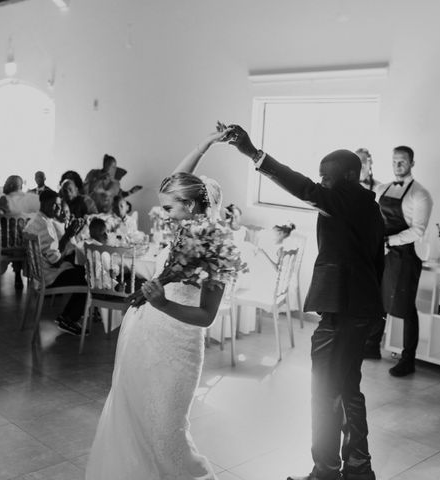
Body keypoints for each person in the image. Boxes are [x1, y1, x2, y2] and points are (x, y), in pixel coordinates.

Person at [226, 125, 384, 480]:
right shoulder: (369, 208)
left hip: (341, 310)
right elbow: (378, 262)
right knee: (348, 388)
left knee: (324, 392)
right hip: (360, 309)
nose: (321, 184)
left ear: (348, 176)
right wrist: (379, 313)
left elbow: (303, 188)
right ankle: (359, 469)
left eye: (327, 178)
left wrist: (254, 153)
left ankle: (326, 472)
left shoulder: (345, 199)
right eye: (321, 178)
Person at [86, 127, 230, 480]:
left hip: (179, 346)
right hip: (146, 336)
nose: (162, 212)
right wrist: (205, 144)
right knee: (136, 418)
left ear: (191, 206)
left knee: (167, 432)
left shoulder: (215, 247)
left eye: (169, 206)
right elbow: (177, 180)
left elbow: (208, 315)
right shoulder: (182, 228)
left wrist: (164, 305)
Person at [364, 146, 433, 377]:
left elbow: (418, 230)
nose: (397, 165)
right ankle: (372, 346)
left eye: (402, 161)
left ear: (412, 163)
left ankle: (408, 359)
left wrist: (389, 240)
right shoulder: (383, 188)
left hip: (406, 255)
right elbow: (370, 205)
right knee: (378, 299)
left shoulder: (420, 195)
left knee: (405, 306)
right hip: (382, 252)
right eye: (394, 161)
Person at [24, 190, 88, 335]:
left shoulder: (37, 221)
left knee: (81, 270)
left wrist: (69, 235)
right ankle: (69, 318)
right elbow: (56, 262)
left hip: (39, 274)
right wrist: (68, 235)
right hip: (49, 276)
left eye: (59, 206)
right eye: (55, 205)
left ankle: (67, 317)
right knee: (89, 276)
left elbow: (52, 252)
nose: (59, 210)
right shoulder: (45, 226)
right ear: (44, 203)